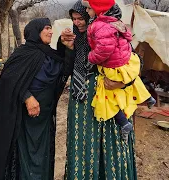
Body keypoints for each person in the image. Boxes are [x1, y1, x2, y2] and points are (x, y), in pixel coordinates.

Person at [57, 0, 138, 179]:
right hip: (82, 101)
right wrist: (69, 49)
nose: (77, 23)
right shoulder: (76, 38)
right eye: (74, 19)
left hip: (111, 99)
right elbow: (67, 69)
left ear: (92, 15)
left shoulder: (111, 32)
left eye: (81, 18)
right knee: (84, 145)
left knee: (113, 144)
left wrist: (122, 83)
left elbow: (132, 63)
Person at [0, 18, 72, 180]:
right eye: (47, 28)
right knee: (24, 157)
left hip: (44, 118)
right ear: (36, 31)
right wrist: (27, 97)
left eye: (51, 28)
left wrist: (66, 48)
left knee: (41, 158)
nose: (51, 32)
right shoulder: (23, 54)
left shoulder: (48, 53)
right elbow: (8, 80)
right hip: (24, 120)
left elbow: (63, 70)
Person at [82, 0, 156, 141]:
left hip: (112, 66)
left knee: (108, 95)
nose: (86, 12)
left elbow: (104, 49)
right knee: (129, 78)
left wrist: (91, 57)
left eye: (89, 9)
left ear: (99, 10)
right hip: (126, 61)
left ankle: (122, 122)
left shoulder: (99, 26)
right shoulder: (115, 23)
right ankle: (147, 97)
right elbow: (126, 40)